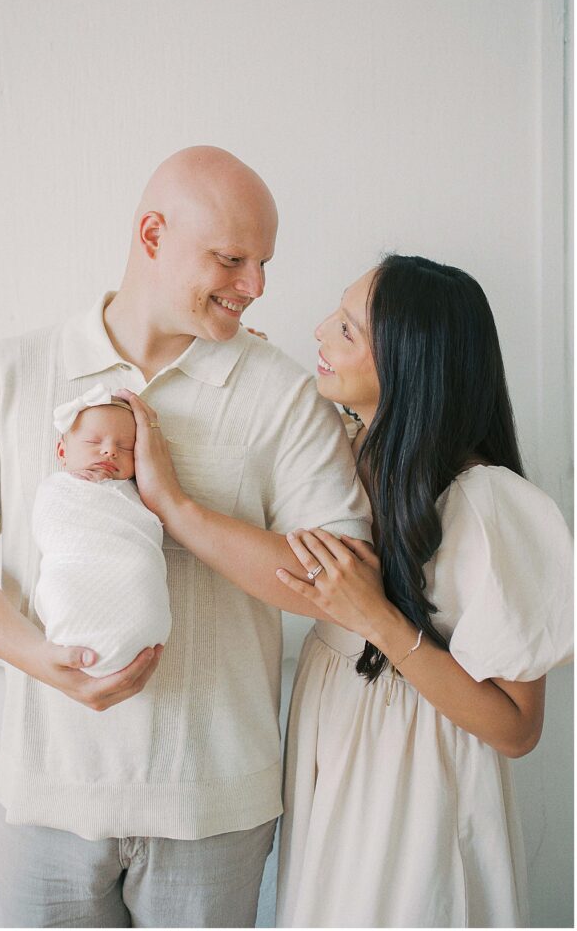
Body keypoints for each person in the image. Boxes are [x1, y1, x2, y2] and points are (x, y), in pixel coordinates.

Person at [0, 145, 372, 928]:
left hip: (214, 805)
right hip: (47, 798)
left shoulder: (282, 391)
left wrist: (180, 511)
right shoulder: (10, 372)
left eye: (262, 263)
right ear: (152, 234)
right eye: (231, 258)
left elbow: (347, 588)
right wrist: (40, 661)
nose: (255, 286)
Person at [122, 255, 573, 928]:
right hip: (337, 761)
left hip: (417, 786)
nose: (317, 334)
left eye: (347, 331)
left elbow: (515, 729)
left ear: (410, 365)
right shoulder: (341, 460)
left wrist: (380, 621)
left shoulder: (491, 507)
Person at [33, 384, 171, 679]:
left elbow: (145, 528)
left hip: (132, 575)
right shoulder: (58, 489)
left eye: (125, 448)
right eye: (93, 441)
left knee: (138, 570)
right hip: (74, 569)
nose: (109, 450)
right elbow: (50, 524)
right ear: (62, 451)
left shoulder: (137, 494)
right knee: (62, 583)